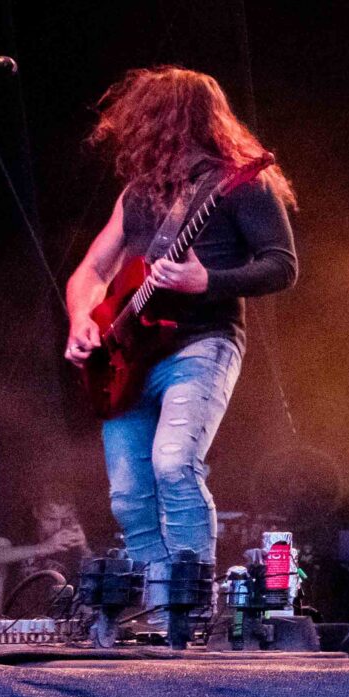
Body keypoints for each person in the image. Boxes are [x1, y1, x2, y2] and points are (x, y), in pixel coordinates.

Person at [62, 68, 297, 568]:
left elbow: (282, 265)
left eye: (148, 119)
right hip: (127, 361)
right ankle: (159, 599)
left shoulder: (242, 184)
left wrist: (206, 281)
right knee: (128, 497)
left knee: (173, 464)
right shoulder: (137, 194)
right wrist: (82, 318)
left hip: (202, 342)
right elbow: (93, 270)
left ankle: (189, 602)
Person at [0, 497, 88, 617]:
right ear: (36, 512)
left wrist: (85, 549)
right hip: (11, 616)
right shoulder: (20, 532)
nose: (58, 527)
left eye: (65, 519)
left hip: (58, 617)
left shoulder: (77, 536)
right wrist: (41, 548)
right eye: (51, 519)